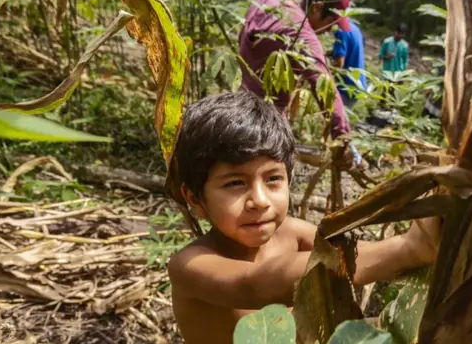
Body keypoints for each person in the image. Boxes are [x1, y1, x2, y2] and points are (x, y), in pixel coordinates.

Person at [167, 91, 441, 344]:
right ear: (194, 199)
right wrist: (409, 250)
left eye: (273, 179)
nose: (260, 201)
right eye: (235, 184)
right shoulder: (189, 266)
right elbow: (254, 285)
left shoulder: (294, 233)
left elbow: (358, 258)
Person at [238, 0, 364, 168]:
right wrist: (342, 137)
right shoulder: (301, 32)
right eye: (331, 21)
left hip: (239, 109)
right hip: (268, 128)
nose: (330, 29)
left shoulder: (264, 2)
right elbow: (325, 87)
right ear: (317, 7)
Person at [329, 19, 367, 109]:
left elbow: (339, 64)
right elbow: (349, 50)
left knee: (334, 118)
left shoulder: (341, 30)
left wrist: (323, 68)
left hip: (347, 86)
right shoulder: (353, 27)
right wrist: (329, 53)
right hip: (358, 83)